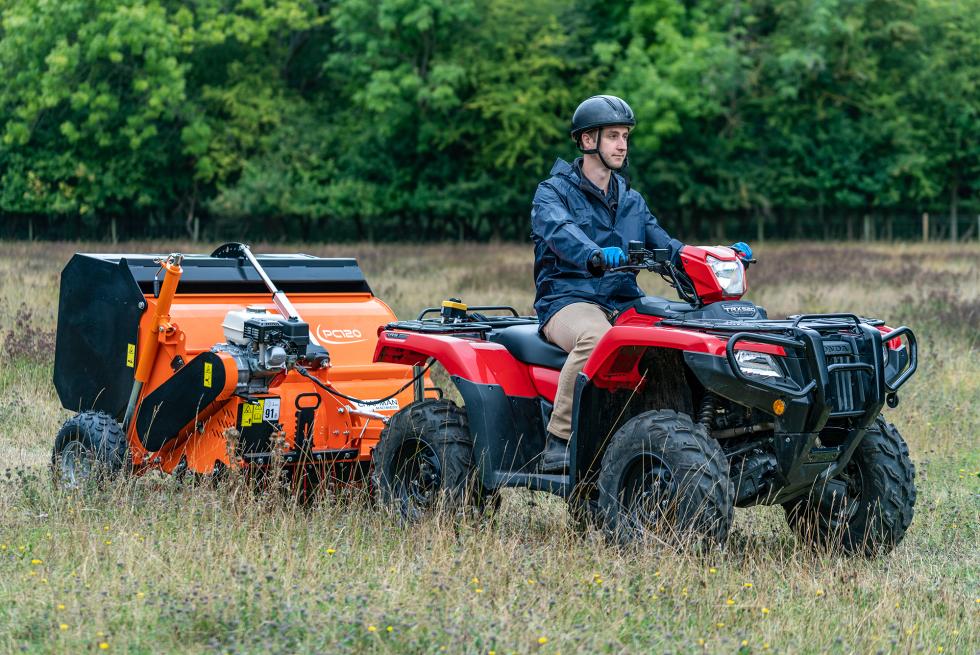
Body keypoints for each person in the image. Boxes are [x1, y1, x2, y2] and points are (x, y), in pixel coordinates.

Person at [530, 95, 751, 473]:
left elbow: (668, 245)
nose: (622, 144)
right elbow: (561, 232)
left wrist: (718, 256)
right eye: (613, 135)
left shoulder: (631, 200)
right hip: (568, 301)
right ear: (587, 141)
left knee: (676, 336)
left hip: (622, 301)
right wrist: (595, 254)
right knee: (596, 338)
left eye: (626, 136)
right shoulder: (552, 193)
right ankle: (560, 439)